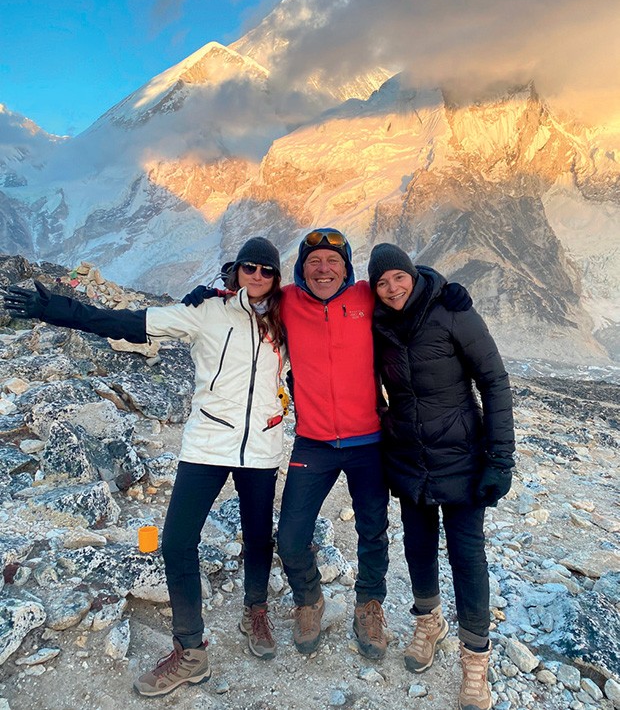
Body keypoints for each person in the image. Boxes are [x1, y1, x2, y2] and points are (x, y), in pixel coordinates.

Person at [2, 237, 288, 698]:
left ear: (277, 278)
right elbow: (127, 322)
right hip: (207, 443)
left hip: (261, 446)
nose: (257, 277)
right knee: (177, 543)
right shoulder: (205, 313)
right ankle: (191, 651)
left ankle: (256, 610)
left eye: (267, 270)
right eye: (249, 268)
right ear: (236, 271)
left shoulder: (287, 318)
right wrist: (53, 308)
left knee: (258, 535)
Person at [184, 227, 471, 661]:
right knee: (293, 537)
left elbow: (403, 286)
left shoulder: (364, 298)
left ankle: (368, 605)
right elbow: (251, 287)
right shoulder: (288, 303)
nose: (323, 269)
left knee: (373, 530)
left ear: (346, 268)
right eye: (314, 261)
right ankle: (309, 599)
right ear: (301, 269)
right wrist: (211, 290)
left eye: (333, 261)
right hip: (313, 442)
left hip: (369, 441)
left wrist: (443, 287)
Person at [367, 243, 515, 710]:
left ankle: (475, 661)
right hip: (409, 459)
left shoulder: (451, 310)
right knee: (417, 546)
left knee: (467, 554)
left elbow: (494, 380)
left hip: (463, 458)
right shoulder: (377, 323)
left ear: (413, 274)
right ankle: (428, 623)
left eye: (398, 278)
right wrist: (383, 420)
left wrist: (500, 458)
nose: (392, 289)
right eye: (382, 282)